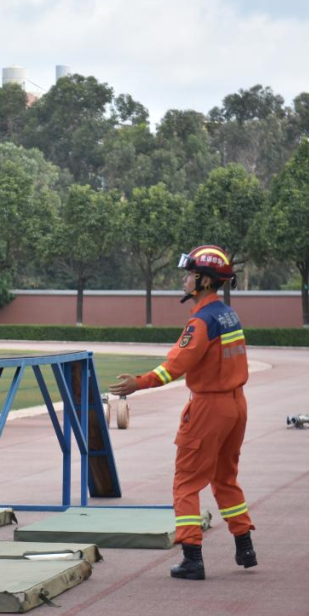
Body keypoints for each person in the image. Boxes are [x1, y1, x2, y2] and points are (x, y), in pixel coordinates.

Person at [110, 245, 257, 581]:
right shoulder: (228, 315)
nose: (184, 280)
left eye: (190, 274)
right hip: (236, 405)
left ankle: (192, 558)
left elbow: (176, 366)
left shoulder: (201, 321)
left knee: (186, 483)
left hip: (209, 408)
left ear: (204, 281)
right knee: (225, 478)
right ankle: (245, 546)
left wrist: (139, 383)